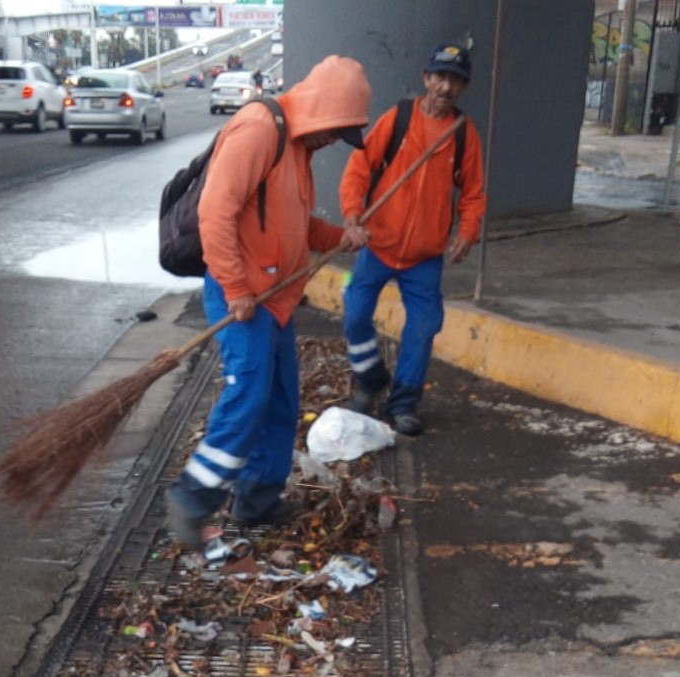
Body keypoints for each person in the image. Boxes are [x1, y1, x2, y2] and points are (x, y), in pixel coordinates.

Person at [165, 55, 373, 550]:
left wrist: (339, 235)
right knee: (249, 393)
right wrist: (236, 289)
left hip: (274, 299)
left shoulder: (297, 148)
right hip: (244, 296)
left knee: (281, 400)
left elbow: (293, 229)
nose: (332, 143)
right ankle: (192, 498)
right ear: (323, 111)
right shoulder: (260, 128)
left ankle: (256, 499)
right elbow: (217, 213)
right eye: (336, 131)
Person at [338, 43, 487, 436]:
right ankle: (370, 377)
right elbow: (358, 168)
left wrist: (467, 231)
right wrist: (353, 217)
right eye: (440, 77)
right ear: (426, 79)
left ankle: (403, 403)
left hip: (424, 257)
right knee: (354, 313)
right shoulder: (398, 119)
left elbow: (473, 192)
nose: (446, 87)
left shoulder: (463, 133)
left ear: (463, 88)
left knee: (423, 327)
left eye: (455, 80)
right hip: (377, 246)